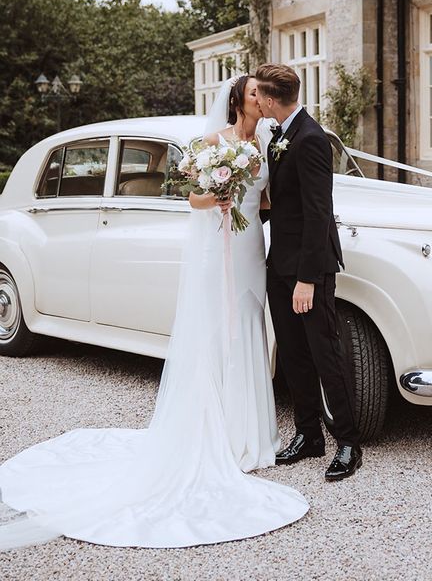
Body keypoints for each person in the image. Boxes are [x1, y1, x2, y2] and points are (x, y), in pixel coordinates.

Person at [0, 75, 308, 551]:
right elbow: (191, 198)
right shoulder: (211, 142)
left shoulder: (266, 140)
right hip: (217, 244)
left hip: (249, 247)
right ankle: (218, 434)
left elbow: (268, 197)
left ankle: (250, 433)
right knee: (213, 329)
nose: (260, 99)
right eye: (253, 93)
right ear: (239, 100)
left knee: (246, 322)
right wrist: (218, 194)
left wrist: (260, 199)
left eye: (262, 95)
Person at [255, 63, 362, 482]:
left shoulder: (312, 139)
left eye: (259, 96)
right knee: (294, 354)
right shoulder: (279, 135)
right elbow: (283, 204)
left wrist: (307, 279)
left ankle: (349, 443)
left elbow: (319, 215)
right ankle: (308, 435)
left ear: (270, 98)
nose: (257, 102)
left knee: (325, 354)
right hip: (278, 262)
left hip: (307, 270)